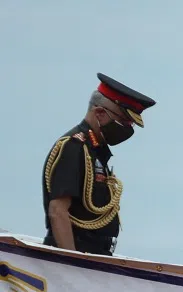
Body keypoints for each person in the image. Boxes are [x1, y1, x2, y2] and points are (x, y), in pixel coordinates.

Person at [41, 73, 156, 255]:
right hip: (79, 255)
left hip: (96, 256)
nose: (127, 129)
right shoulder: (74, 147)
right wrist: (73, 264)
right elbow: (58, 211)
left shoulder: (96, 151)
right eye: (124, 121)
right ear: (100, 113)